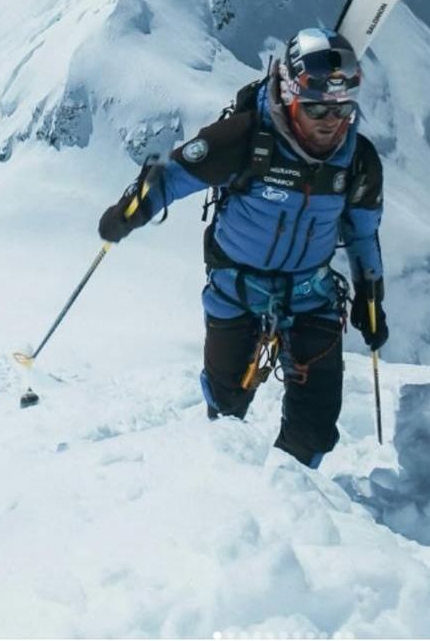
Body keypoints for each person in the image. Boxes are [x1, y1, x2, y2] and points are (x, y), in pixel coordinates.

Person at [98, 27, 390, 468]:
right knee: (227, 398)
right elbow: (174, 176)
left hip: (311, 293)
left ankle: (291, 494)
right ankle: (227, 471)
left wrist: (371, 296)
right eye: (316, 110)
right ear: (290, 97)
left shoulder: (358, 161)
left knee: (315, 424)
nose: (331, 122)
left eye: (343, 110)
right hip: (237, 286)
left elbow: (364, 233)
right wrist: (131, 211)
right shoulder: (246, 138)